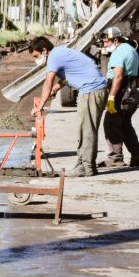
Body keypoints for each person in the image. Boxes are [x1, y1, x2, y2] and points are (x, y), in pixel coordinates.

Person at [29, 36, 107, 177]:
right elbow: (66, 78)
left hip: (91, 90)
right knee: (85, 129)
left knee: (86, 130)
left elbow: (48, 82)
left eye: (36, 56)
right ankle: (85, 163)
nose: (36, 60)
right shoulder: (60, 53)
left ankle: (86, 167)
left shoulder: (54, 57)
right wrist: (55, 90)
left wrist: (40, 106)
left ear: (44, 50)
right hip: (93, 90)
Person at [101, 27, 139, 168]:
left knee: (111, 123)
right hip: (131, 91)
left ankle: (116, 158)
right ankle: (137, 153)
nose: (104, 45)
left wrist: (111, 97)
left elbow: (118, 76)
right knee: (125, 125)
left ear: (115, 40)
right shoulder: (130, 49)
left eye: (106, 42)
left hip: (122, 94)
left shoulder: (118, 53)